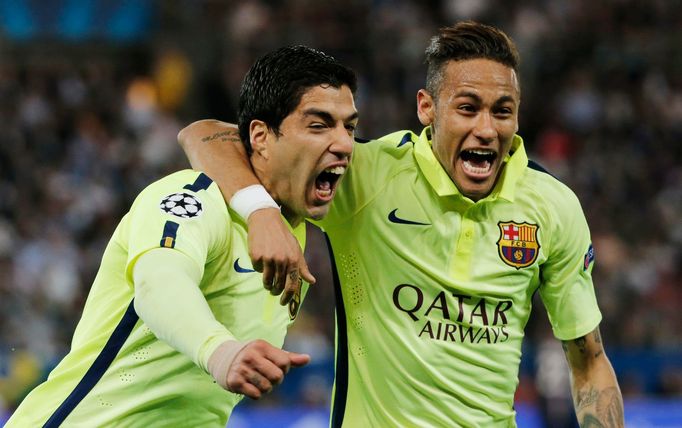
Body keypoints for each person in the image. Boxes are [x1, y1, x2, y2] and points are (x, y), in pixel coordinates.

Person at [178, 22, 624, 427]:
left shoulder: (552, 206)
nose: (487, 129)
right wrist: (261, 211)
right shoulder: (366, 175)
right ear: (427, 108)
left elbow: (589, 362)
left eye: (502, 111)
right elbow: (202, 135)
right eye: (468, 108)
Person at [6, 45, 358, 427]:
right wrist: (221, 353)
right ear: (260, 137)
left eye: (350, 127)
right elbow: (159, 283)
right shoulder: (192, 197)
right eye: (319, 125)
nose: (343, 144)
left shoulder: (297, 230)